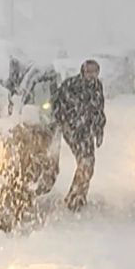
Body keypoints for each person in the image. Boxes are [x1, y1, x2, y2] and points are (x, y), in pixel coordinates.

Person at [52, 59, 106, 210]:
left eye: (94, 72)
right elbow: (57, 105)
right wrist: (65, 123)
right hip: (73, 130)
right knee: (85, 162)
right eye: (89, 71)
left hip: (87, 131)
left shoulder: (97, 87)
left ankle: (79, 195)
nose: (91, 75)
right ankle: (74, 198)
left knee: (89, 164)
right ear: (82, 71)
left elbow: (99, 110)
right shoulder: (71, 86)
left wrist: (99, 130)